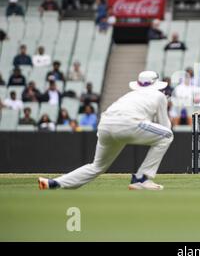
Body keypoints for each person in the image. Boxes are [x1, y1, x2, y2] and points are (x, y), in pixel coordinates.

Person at [38, 71, 173, 191]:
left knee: (97, 166)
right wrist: (164, 104)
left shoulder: (130, 95)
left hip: (105, 124)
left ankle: (54, 183)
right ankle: (142, 179)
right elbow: (165, 127)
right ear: (156, 84)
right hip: (128, 124)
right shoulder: (159, 95)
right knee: (167, 135)